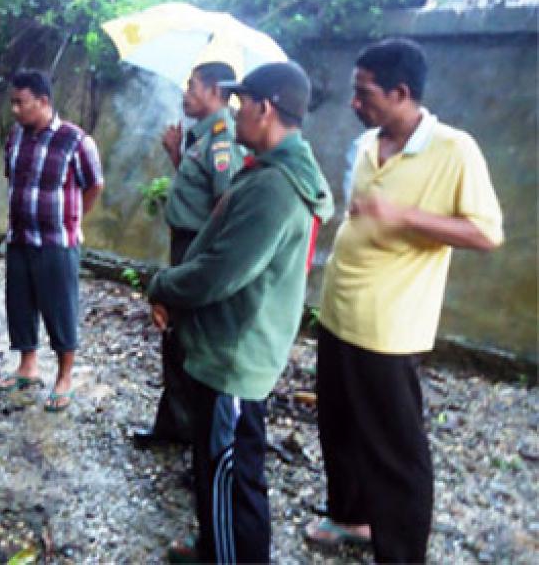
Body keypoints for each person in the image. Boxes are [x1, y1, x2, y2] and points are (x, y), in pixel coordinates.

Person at [305, 38, 504, 563]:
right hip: (340, 310)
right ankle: (351, 518)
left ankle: (401, 553)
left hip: (389, 327)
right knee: (338, 424)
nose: (354, 102)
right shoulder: (369, 143)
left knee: (396, 451)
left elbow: (486, 233)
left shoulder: (453, 149)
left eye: (363, 93)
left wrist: (406, 217)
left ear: (401, 92)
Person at [148, 61, 334, 562]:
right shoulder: (274, 173)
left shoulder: (274, 187)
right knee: (216, 467)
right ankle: (214, 545)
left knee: (234, 478)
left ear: (264, 108)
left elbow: (218, 272)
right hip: (231, 343)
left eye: (240, 103)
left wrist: (162, 284)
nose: (235, 113)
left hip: (235, 356)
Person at [132, 61, 245, 449]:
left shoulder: (223, 138)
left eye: (193, 86)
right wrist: (175, 155)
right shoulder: (203, 137)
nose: (186, 93)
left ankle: (195, 440)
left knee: (189, 338)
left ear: (215, 90)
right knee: (175, 337)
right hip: (185, 244)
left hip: (197, 248)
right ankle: (173, 428)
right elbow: (199, 189)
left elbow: (224, 204)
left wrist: (199, 261)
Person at [0, 69, 104, 412]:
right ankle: (28, 366)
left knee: (60, 308)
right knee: (21, 303)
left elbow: (94, 185)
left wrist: (72, 220)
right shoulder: (16, 137)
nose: (14, 109)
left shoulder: (76, 140)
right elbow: (10, 178)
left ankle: (64, 377)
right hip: (20, 238)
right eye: (12, 102)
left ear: (43, 101)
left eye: (20, 103)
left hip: (58, 241)